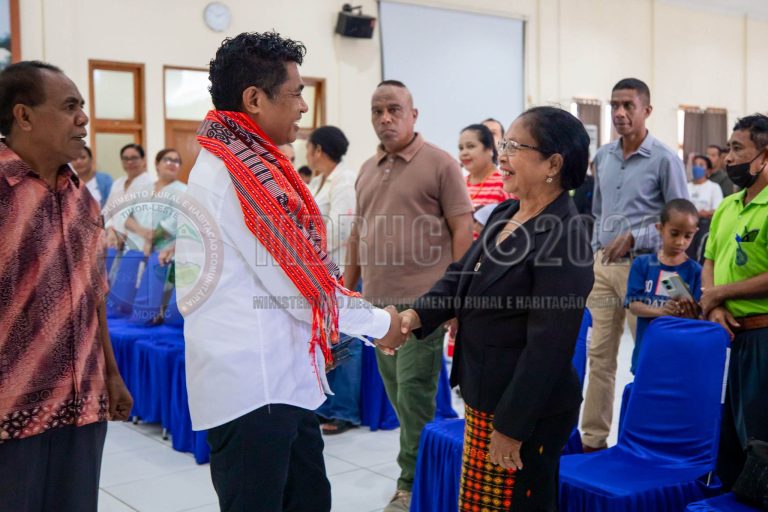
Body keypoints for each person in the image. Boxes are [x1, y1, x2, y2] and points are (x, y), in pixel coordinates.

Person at [175, 32, 405, 512]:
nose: (303, 107)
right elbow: (304, 289)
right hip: (254, 388)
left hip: (281, 380)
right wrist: (382, 323)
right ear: (254, 99)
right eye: (296, 93)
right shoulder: (239, 175)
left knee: (309, 497)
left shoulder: (246, 159)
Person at [399, 106, 594, 511]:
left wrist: (511, 427)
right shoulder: (507, 212)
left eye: (514, 147)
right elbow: (461, 275)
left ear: (553, 164)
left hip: (524, 410)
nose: (501, 157)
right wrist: (415, 316)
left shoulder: (565, 236)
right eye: (503, 146)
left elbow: (549, 347)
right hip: (485, 392)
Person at [0, 61, 132, 511]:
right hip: (11, 414)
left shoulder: (83, 200)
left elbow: (95, 294)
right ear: (24, 115)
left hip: (83, 406)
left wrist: (111, 374)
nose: (84, 118)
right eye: (70, 106)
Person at [345, 80, 474, 511]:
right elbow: (357, 233)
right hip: (377, 307)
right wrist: (346, 291)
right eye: (377, 110)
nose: (385, 118)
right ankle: (437, 467)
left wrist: (455, 300)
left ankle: (410, 485)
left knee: (414, 394)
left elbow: (463, 231)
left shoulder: (440, 163)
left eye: (394, 109)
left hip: (424, 305)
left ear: (413, 114)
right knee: (398, 393)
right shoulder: (367, 168)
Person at [582, 77, 689, 452]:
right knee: (599, 358)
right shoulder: (603, 157)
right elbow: (598, 212)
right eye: (614, 105)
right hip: (603, 269)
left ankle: (645, 444)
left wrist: (637, 236)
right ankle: (593, 441)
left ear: (647, 110)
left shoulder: (664, 159)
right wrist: (596, 251)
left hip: (644, 270)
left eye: (628, 105)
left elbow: (681, 219)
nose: (620, 113)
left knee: (647, 359)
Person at [700, 113, 768, 490]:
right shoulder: (728, 206)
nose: (728, 158)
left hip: (761, 338)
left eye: (738, 149)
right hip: (725, 336)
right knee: (725, 438)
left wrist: (720, 294)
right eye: (728, 148)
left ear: (764, 156)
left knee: (759, 441)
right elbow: (710, 260)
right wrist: (713, 305)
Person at [304, 125, 361, 435]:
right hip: (318, 272)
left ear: (318, 150)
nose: (306, 153)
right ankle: (326, 405)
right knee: (326, 341)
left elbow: (341, 228)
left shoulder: (345, 180)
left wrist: (305, 241)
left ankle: (344, 411)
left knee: (346, 341)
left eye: (308, 147)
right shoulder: (318, 180)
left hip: (340, 271)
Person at [625, 199, 702, 374]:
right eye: (674, 234)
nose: (680, 242)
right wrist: (661, 311)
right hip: (647, 352)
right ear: (660, 228)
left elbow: (699, 315)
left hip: (680, 354)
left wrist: (690, 312)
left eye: (687, 236)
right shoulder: (642, 264)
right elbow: (634, 305)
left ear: (695, 233)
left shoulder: (696, 271)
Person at [120, 148, 187, 258]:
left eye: (176, 161)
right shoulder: (143, 189)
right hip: (134, 247)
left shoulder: (184, 191)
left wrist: (151, 239)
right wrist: (143, 232)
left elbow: (173, 223)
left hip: (161, 253)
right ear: (157, 164)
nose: (172, 163)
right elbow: (126, 217)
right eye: (167, 160)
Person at [103, 143, 153, 248]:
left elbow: (146, 219)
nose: (129, 162)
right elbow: (107, 212)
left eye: (134, 158)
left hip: (138, 243)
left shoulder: (151, 184)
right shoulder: (118, 183)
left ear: (143, 160)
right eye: (125, 159)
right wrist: (110, 229)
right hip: (114, 242)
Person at [459, 123, 511, 211]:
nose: (464, 153)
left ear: (489, 149)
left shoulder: (505, 184)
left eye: (471, 146)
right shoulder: (459, 184)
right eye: (461, 148)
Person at [687, 154, 723, 261]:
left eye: (701, 165)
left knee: (700, 251)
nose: (696, 167)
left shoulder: (713, 187)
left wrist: (704, 213)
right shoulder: (686, 186)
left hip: (704, 224)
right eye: (695, 164)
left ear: (708, 170)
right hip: (687, 223)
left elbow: (718, 209)